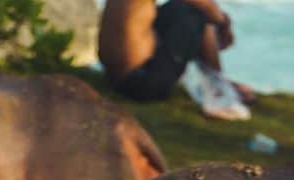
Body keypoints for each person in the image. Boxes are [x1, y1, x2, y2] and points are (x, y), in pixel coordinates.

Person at [99, 0, 255, 110]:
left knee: (178, 8)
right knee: (195, 13)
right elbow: (206, 6)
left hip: (113, 77)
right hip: (142, 83)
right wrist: (224, 24)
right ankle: (218, 86)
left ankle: (215, 80)